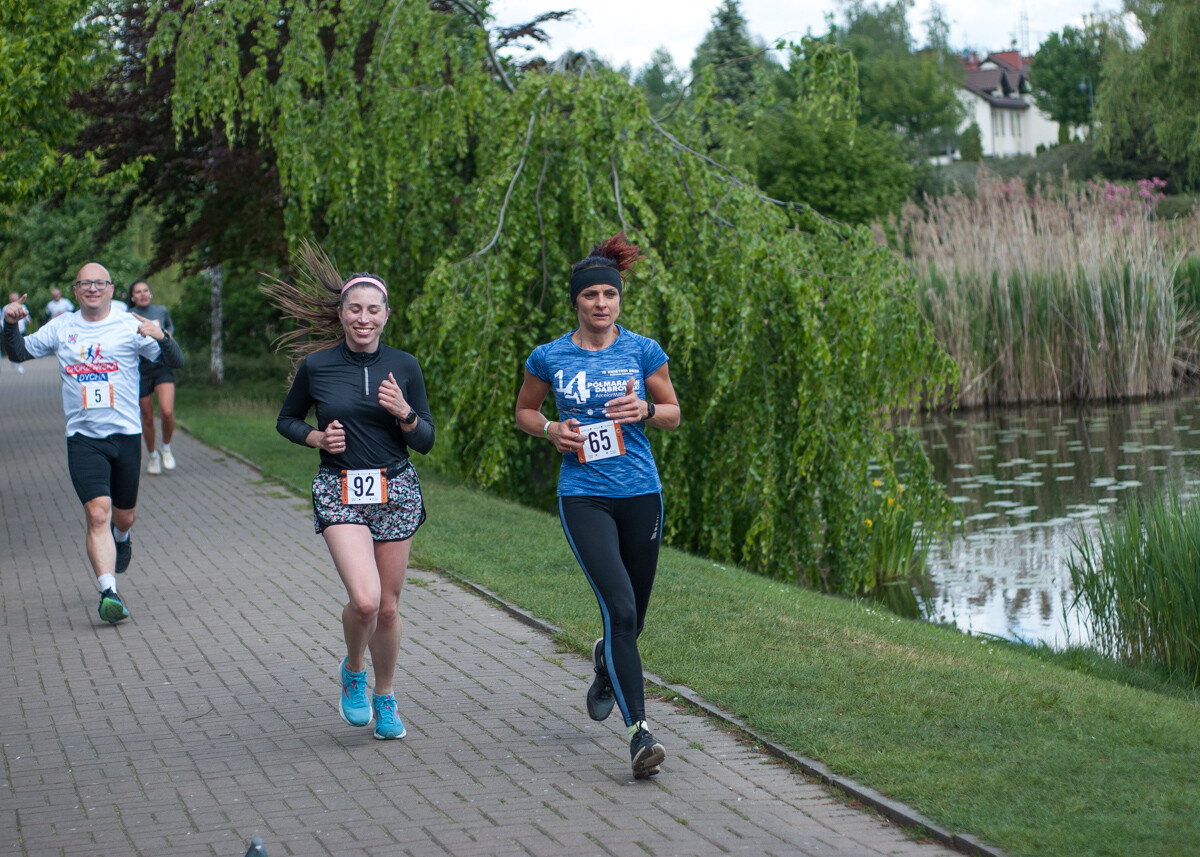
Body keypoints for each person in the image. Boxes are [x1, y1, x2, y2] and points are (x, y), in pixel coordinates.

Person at [514, 232, 681, 779]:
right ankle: (640, 735)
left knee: (633, 618)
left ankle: (606, 663)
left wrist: (646, 411)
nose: (601, 304)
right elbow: (525, 412)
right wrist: (551, 429)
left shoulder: (642, 350)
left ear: (618, 300)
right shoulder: (549, 355)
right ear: (577, 301)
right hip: (584, 496)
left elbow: (673, 411)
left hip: (641, 493)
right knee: (622, 610)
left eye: (609, 294)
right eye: (591, 296)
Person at [272, 259, 434, 741]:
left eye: (373, 311)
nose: (364, 319)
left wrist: (405, 413)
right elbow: (287, 420)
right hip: (340, 489)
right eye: (355, 310)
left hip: (395, 489)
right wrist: (317, 439)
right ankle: (354, 671)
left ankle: (385, 697)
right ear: (341, 314)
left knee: (388, 607)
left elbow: (425, 439)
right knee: (364, 601)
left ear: (387, 315)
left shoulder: (404, 366)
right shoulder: (317, 366)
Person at [2, 263, 184, 624]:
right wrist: (9, 323)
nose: (92, 288)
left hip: (127, 436)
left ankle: (123, 536)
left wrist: (162, 337)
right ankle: (108, 592)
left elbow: (174, 362)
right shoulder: (62, 326)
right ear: (75, 290)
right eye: (85, 283)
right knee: (97, 512)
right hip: (83, 439)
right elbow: (18, 353)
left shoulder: (129, 323)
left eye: (99, 283)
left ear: (112, 289)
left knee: (123, 514)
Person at [126, 280, 177, 474]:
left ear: (150, 293)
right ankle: (153, 456)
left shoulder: (161, 311)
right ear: (132, 297)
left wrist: (167, 336)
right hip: (140, 369)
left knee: (166, 411)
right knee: (147, 417)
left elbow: (170, 328)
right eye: (138, 292)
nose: (143, 294)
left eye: (146, 290)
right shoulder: (128, 317)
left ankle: (166, 447)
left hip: (162, 365)